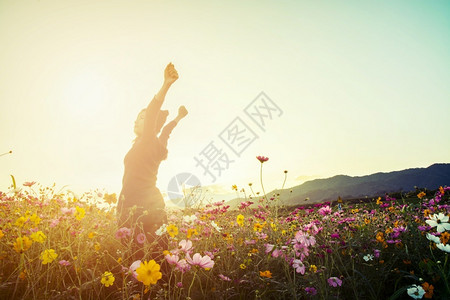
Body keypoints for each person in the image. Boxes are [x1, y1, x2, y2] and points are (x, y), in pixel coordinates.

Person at [117, 63, 188, 249]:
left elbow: (153, 112)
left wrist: (166, 84)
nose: (136, 120)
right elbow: (166, 130)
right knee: (159, 254)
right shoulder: (157, 143)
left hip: (134, 204)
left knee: (134, 257)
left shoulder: (147, 139)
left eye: (141, 118)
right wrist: (179, 117)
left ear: (150, 123)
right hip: (151, 202)